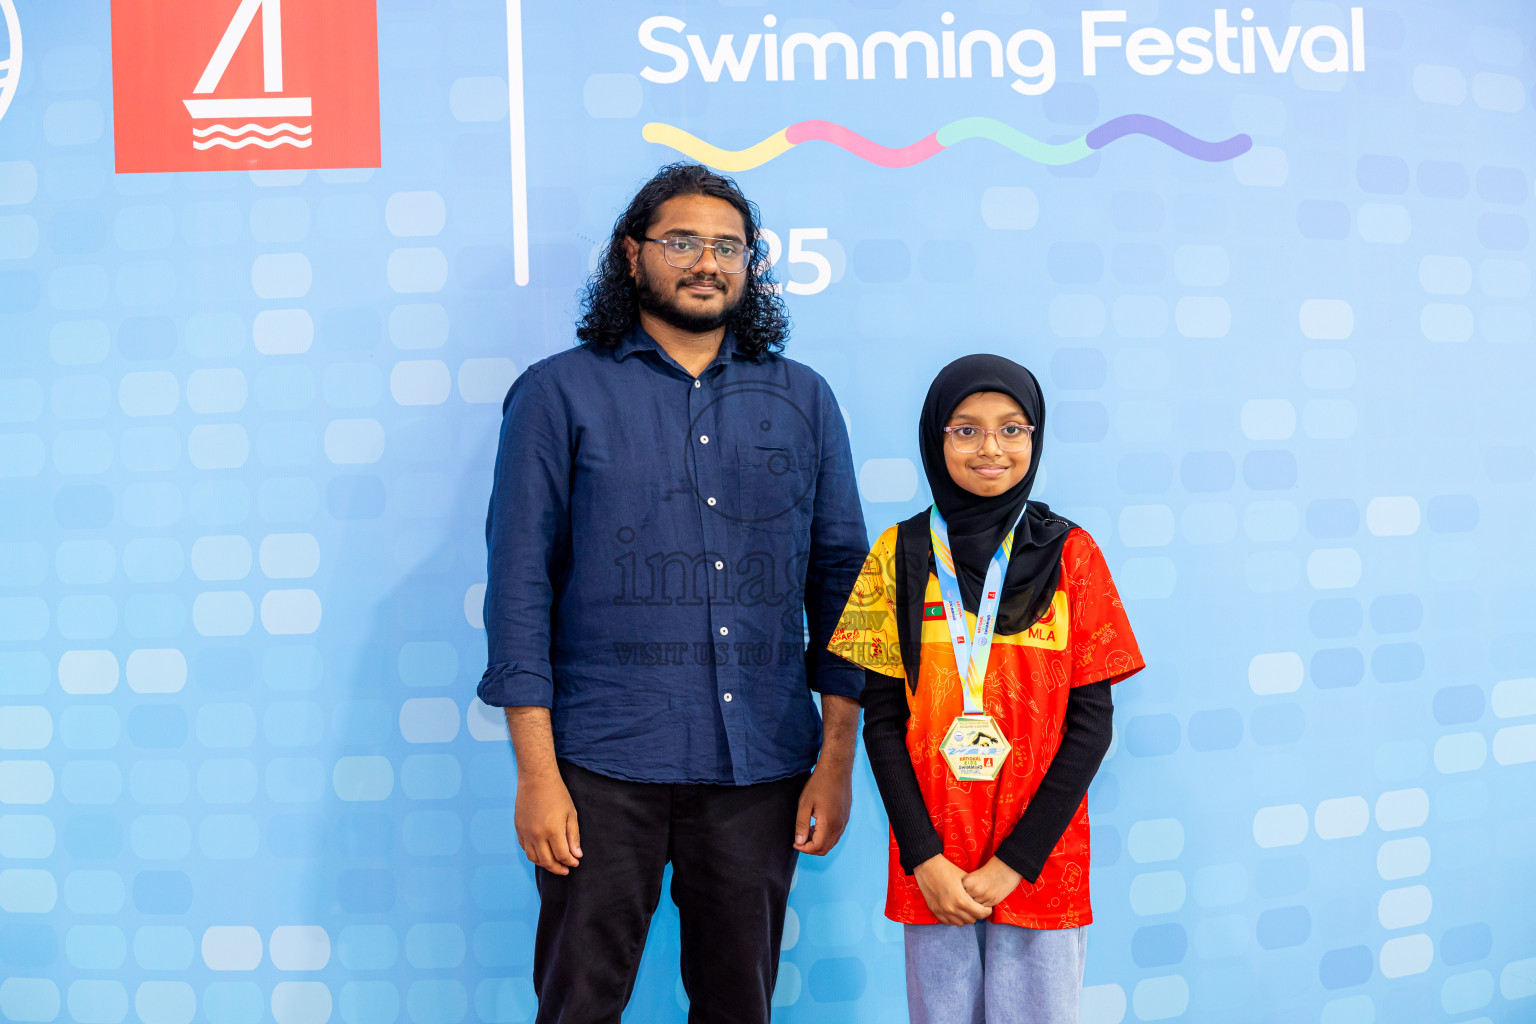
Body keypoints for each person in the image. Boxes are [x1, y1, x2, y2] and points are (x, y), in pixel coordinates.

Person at [478, 162, 868, 1024]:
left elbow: (845, 583)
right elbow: (518, 591)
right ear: (632, 255)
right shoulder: (557, 393)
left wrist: (836, 763)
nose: (706, 262)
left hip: (761, 765)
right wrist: (537, 776)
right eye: (682, 241)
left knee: (739, 1008)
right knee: (579, 1005)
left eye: (728, 246)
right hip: (599, 765)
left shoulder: (803, 398)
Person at [828, 354, 1144, 1024]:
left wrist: (1015, 863)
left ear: (1036, 439)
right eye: (965, 429)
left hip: (1038, 866)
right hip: (935, 867)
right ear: (934, 438)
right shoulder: (896, 554)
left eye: (1012, 429)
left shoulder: (1073, 554)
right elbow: (880, 722)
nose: (990, 448)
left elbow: (1091, 728)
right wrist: (924, 858)